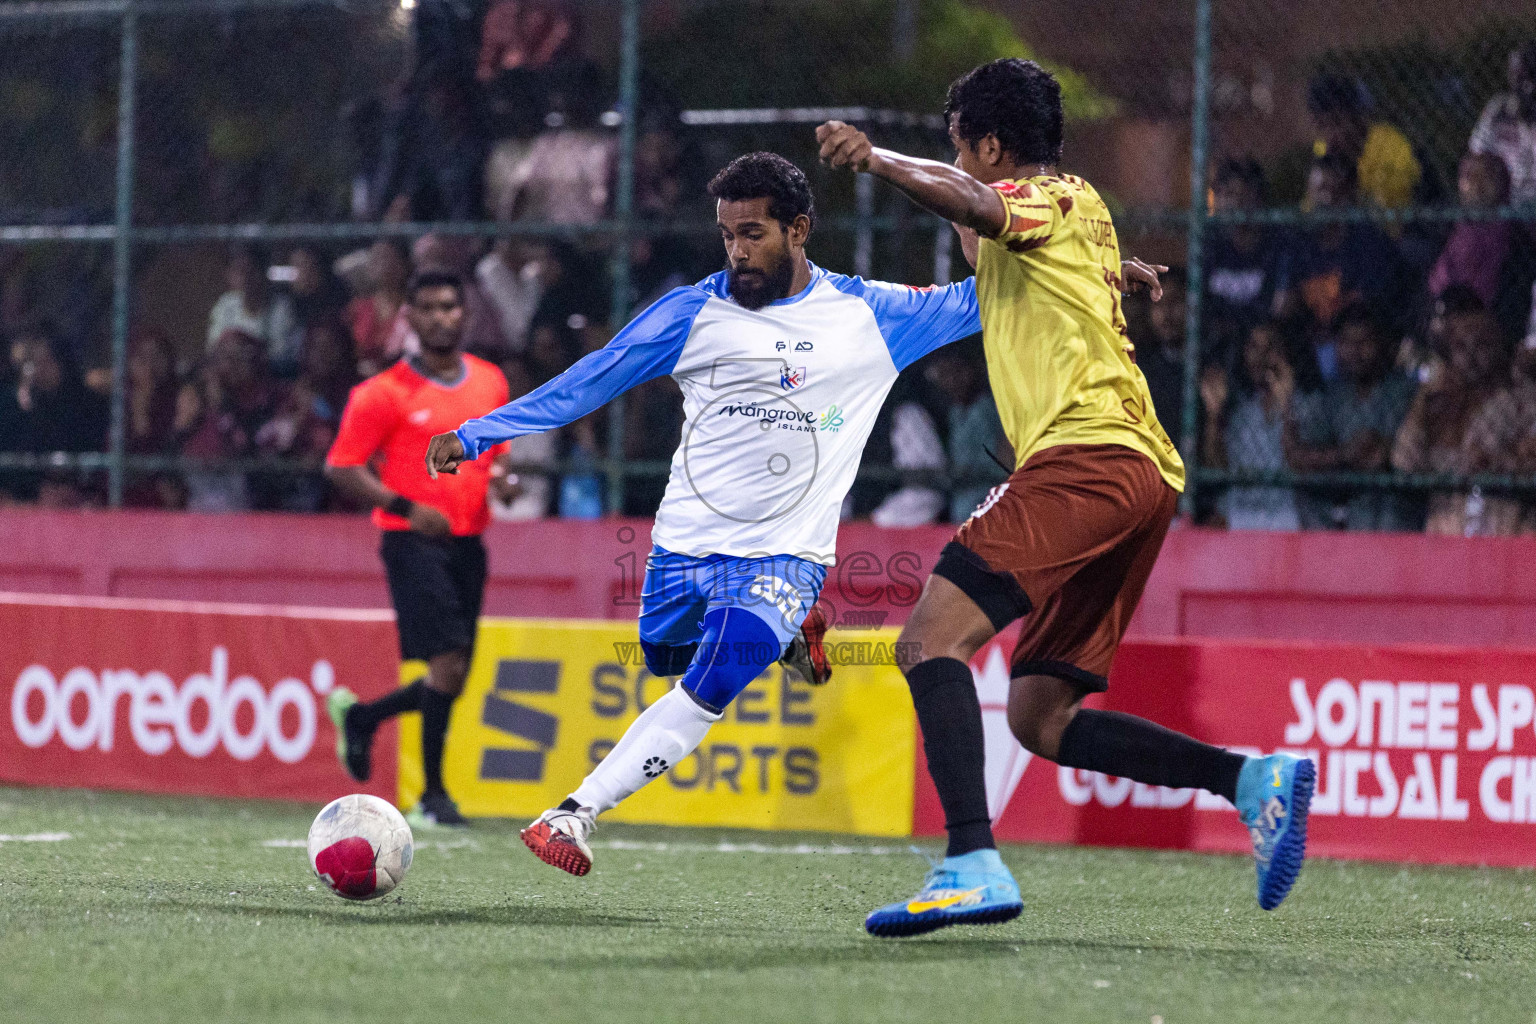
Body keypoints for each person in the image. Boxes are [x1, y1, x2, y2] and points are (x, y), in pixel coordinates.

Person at [425, 150, 1171, 875]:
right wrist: (478, 433)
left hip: (787, 557)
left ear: (799, 230)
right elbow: (594, 377)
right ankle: (793, 638)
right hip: (683, 548)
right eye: (727, 234)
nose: (737, 251)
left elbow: (1001, 295)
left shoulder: (870, 315)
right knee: (667, 660)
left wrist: (1096, 282)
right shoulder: (695, 311)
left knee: (712, 682)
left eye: (753, 234)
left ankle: (572, 814)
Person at [815, 57, 1315, 937]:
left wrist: (881, 161)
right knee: (1041, 715)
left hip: (1084, 461)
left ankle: (970, 860)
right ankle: (1252, 781)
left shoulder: (1037, 197)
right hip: (1139, 475)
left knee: (928, 641)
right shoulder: (1077, 214)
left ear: (994, 148)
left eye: (958, 146)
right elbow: (1010, 240)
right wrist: (1120, 272)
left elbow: (979, 207)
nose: (953, 162)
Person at [322, 270, 518, 827]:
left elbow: (496, 453)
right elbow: (341, 468)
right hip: (411, 541)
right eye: (429, 308)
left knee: (452, 675)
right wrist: (408, 507)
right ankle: (433, 796)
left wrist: (503, 479)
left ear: (465, 313)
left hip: (470, 541)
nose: (441, 317)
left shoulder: (490, 382)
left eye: (450, 306)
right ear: (409, 317)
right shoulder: (381, 394)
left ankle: (363, 717)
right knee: (449, 665)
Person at [1287, 306, 1416, 531]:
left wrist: (1380, 452)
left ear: (1382, 343)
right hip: (1342, 520)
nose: (1355, 352)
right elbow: (1302, 458)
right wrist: (1344, 454)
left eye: (1365, 342)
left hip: (1397, 521)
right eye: (1346, 342)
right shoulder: (1332, 396)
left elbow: (1382, 457)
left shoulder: (1404, 391)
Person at [1428, 152, 1536, 346]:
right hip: (1445, 322)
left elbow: (1514, 306)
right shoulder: (1447, 232)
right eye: (1470, 177)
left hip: (1492, 334)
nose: (1477, 187)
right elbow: (1435, 287)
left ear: (1503, 185)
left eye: (1487, 178)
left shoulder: (1517, 238)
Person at [207, 245, 300, 372]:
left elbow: (280, 354)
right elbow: (214, 349)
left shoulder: (281, 307)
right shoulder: (226, 304)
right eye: (239, 270)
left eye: (251, 270)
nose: (246, 278)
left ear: (262, 272)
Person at [1469, 43, 1536, 206]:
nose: (1517, 80)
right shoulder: (1499, 107)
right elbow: (1477, 149)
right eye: (1515, 73)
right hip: (1501, 200)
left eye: (1524, 74)